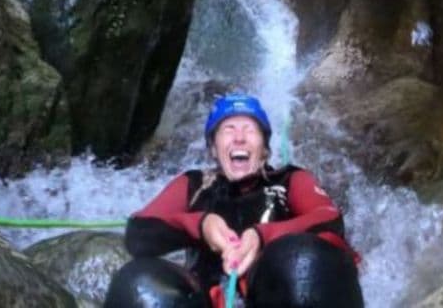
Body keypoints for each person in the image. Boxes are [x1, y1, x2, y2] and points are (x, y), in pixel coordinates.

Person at [104, 93, 363, 308]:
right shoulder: (193, 185)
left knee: (305, 261)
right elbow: (138, 231)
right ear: (214, 149)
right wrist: (201, 225)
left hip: (274, 296)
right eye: (228, 129)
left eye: (250, 130)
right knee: (138, 283)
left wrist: (262, 236)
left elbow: (329, 219)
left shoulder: (290, 179)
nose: (239, 137)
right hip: (206, 299)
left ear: (265, 149)